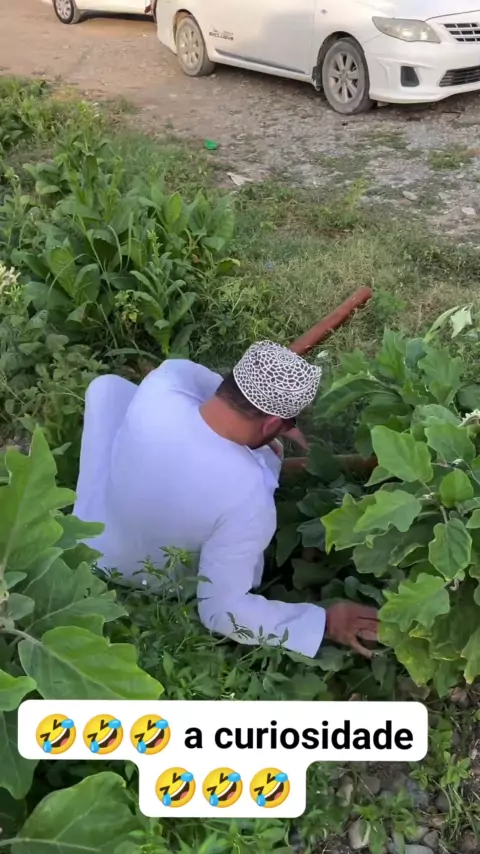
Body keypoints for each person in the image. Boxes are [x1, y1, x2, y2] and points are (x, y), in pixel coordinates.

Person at [74, 341, 378, 659]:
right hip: (159, 576)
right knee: (267, 461)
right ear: (272, 424)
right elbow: (222, 611)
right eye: (287, 424)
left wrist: (275, 421)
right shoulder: (248, 492)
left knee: (108, 389)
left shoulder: (166, 382)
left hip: (96, 536)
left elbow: (215, 392)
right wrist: (324, 623)